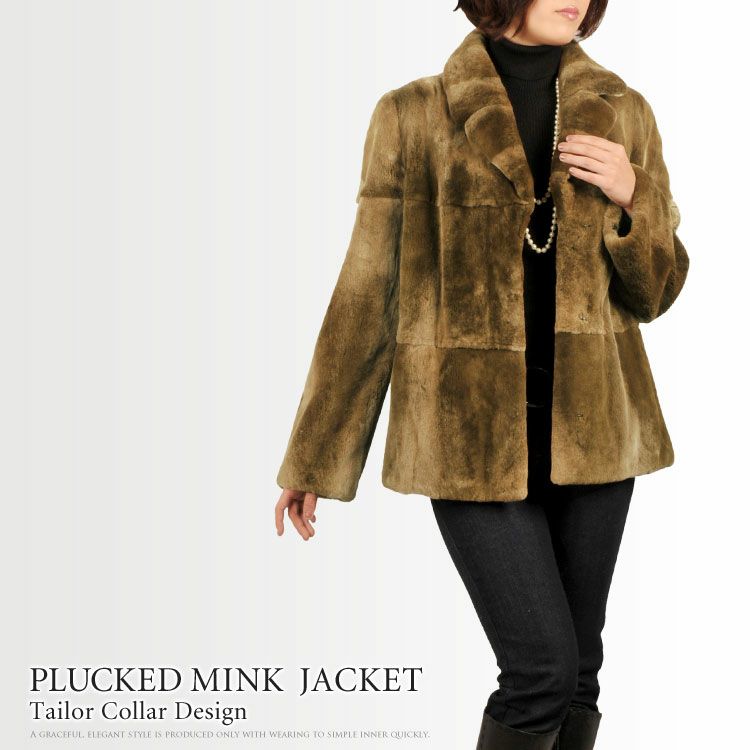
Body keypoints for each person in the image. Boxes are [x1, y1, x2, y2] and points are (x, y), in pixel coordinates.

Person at [274, 1, 689, 748]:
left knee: (578, 673)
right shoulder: (411, 115)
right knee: (540, 673)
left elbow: (655, 294)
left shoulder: (624, 111)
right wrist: (316, 455)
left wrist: (636, 199)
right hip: (465, 439)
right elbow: (367, 294)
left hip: (596, 436)